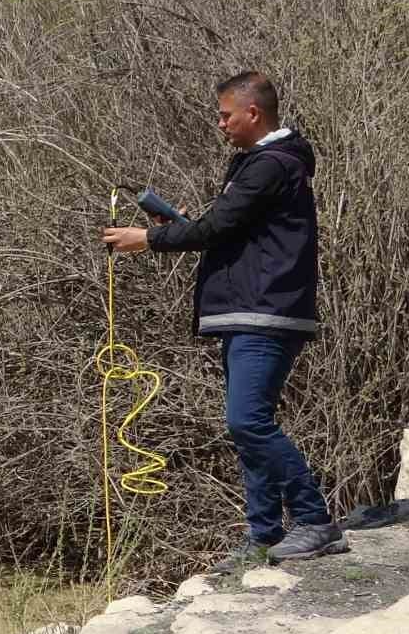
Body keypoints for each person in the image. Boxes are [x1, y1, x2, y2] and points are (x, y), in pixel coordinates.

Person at [101, 71, 346, 572]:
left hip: (267, 314)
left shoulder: (269, 166)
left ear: (252, 114)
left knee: (247, 420)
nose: (220, 124)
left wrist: (147, 239)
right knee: (245, 427)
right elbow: (226, 230)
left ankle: (316, 522)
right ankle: (262, 536)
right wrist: (183, 230)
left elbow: (216, 228)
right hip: (249, 312)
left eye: (225, 115)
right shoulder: (260, 166)